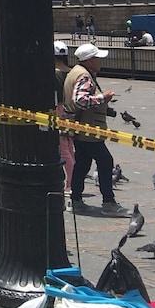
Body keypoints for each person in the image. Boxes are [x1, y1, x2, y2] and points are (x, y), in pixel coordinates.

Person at [64, 43, 129, 217]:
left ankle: (76, 200)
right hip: (88, 128)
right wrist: (103, 98)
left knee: (83, 163)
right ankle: (108, 202)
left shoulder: (76, 72)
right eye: (98, 58)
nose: (100, 61)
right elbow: (80, 100)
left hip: (79, 127)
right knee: (105, 161)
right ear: (90, 60)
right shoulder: (84, 76)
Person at [53, 40, 75, 193]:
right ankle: (74, 180)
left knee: (63, 149)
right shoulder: (72, 71)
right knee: (70, 146)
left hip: (59, 110)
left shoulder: (54, 74)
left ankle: (71, 183)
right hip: (72, 111)